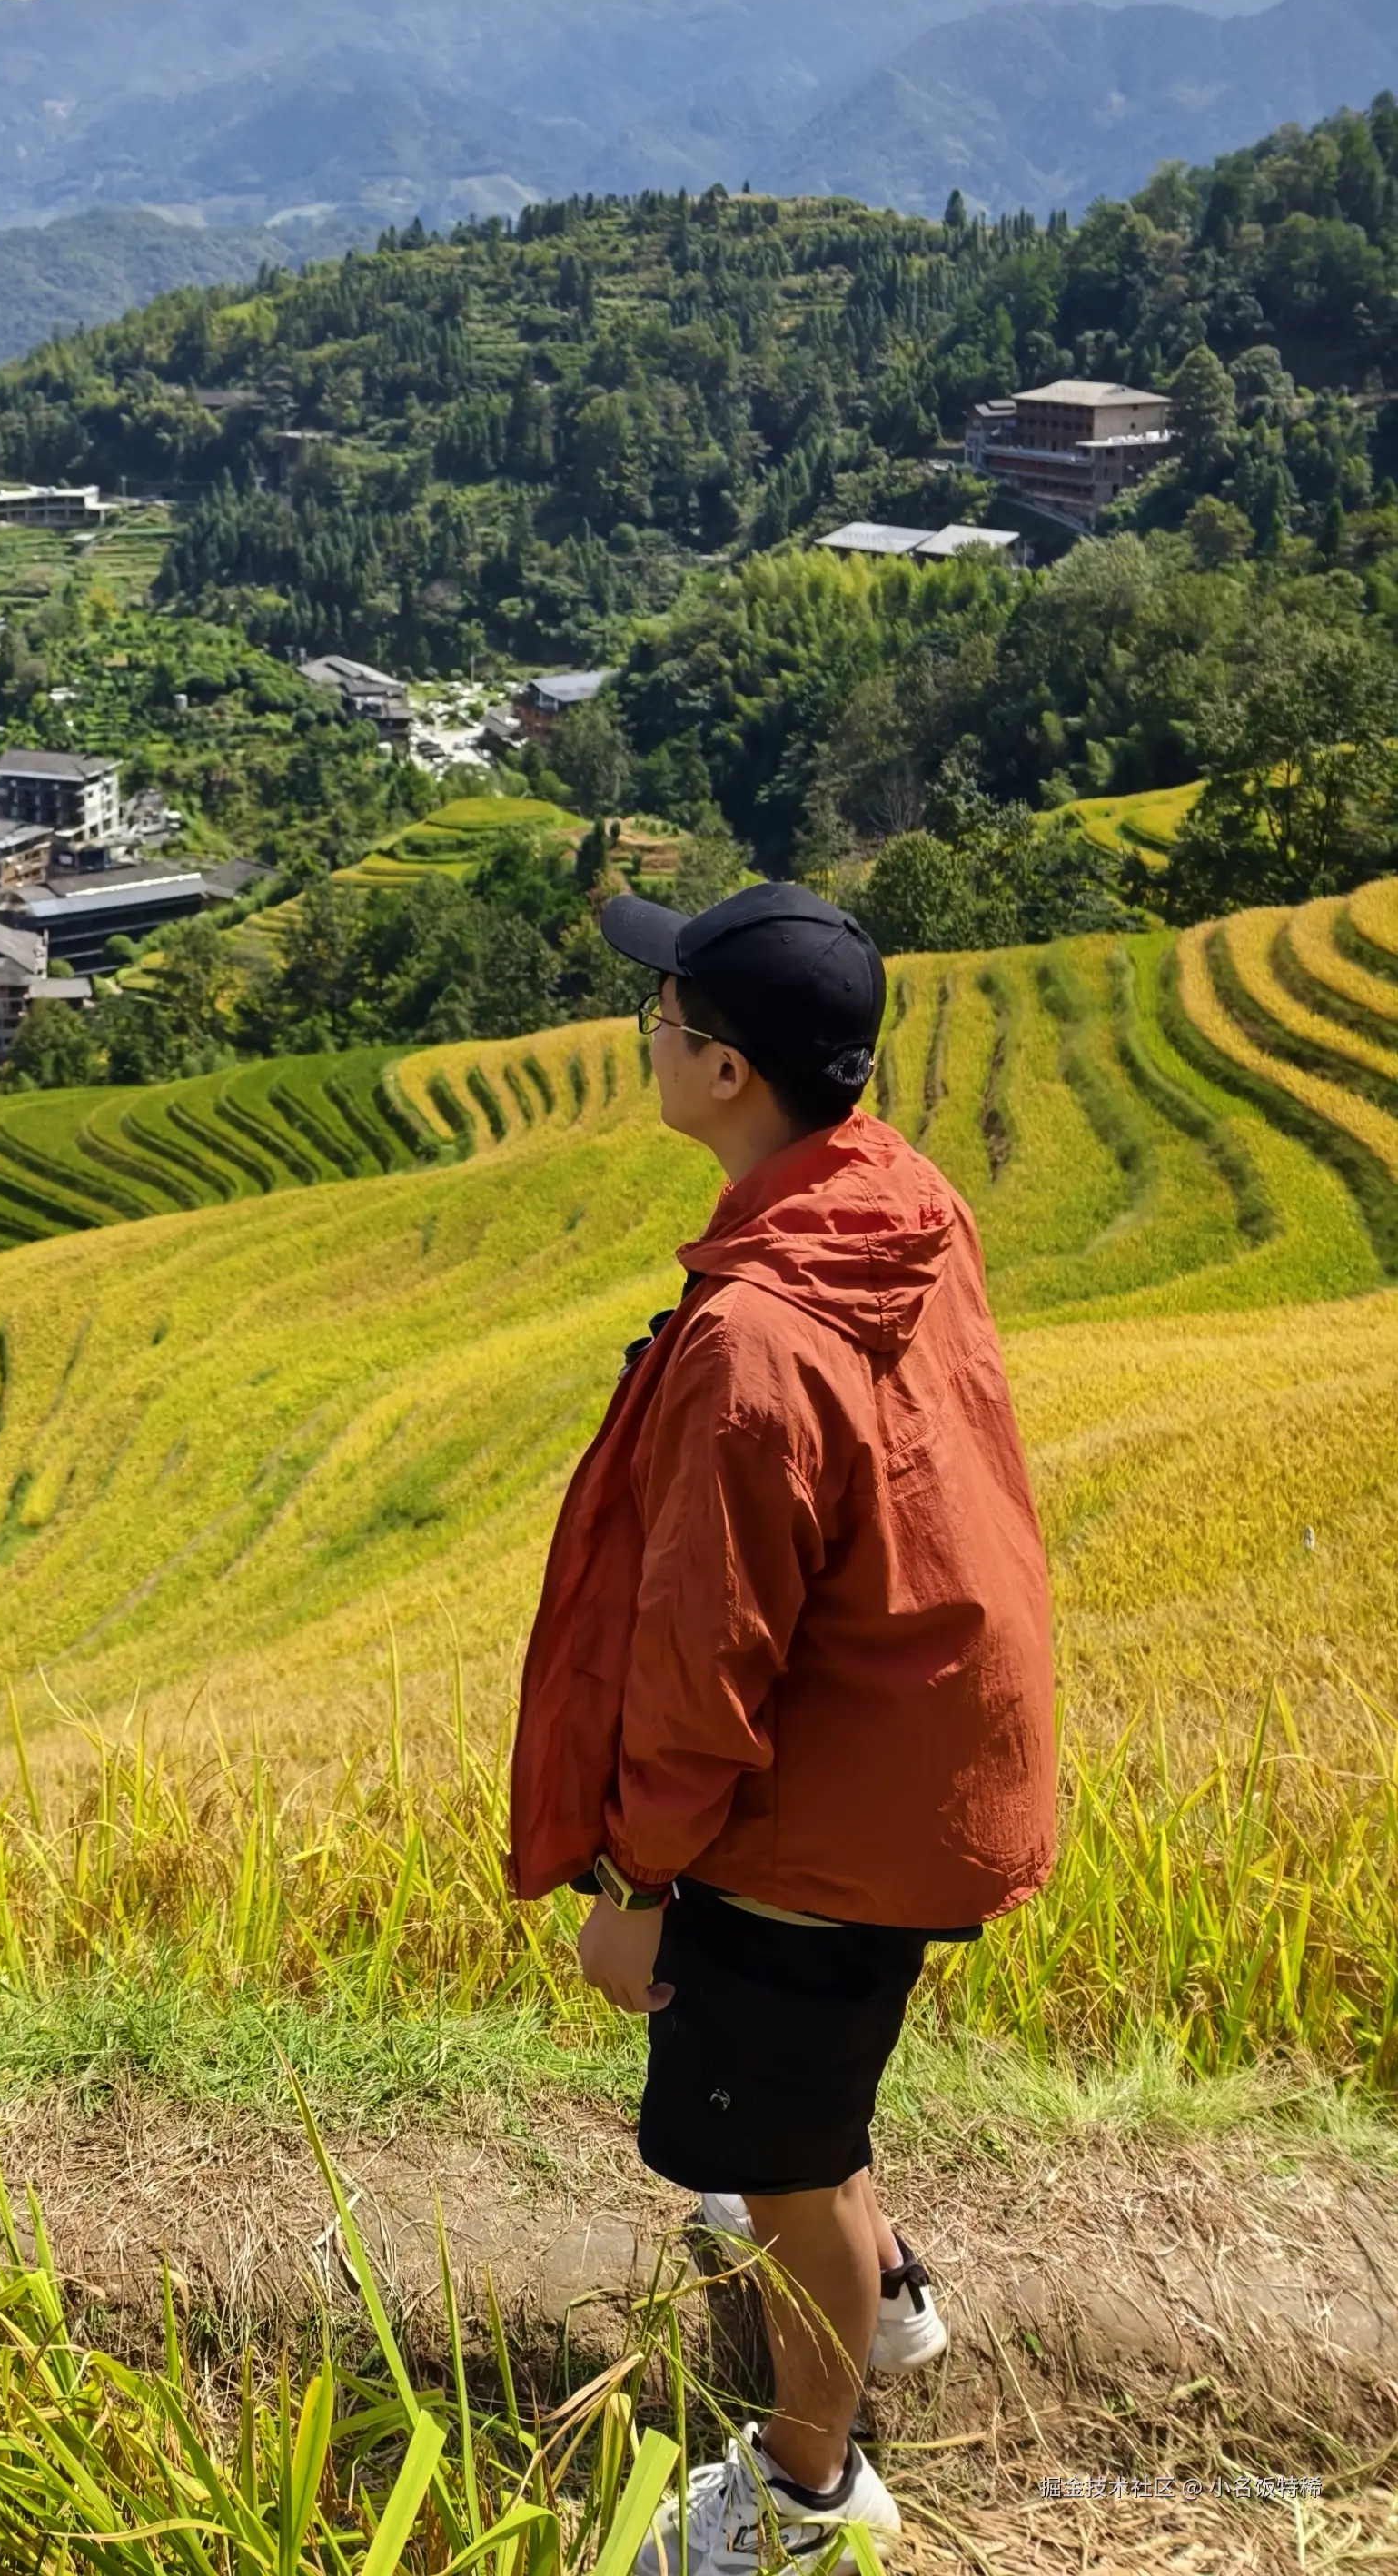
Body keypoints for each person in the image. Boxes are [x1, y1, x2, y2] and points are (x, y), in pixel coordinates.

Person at [508, 882, 1056, 2573]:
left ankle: (810, 2494)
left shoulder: (755, 1337)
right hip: (907, 1754)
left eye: (662, 1021)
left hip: (817, 1825)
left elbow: (707, 1665)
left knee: (775, 2166)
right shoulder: (894, 1198)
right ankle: (884, 2295)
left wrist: (638, 1888)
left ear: (729, 1070)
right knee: (806, 2103)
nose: (649, 1040)